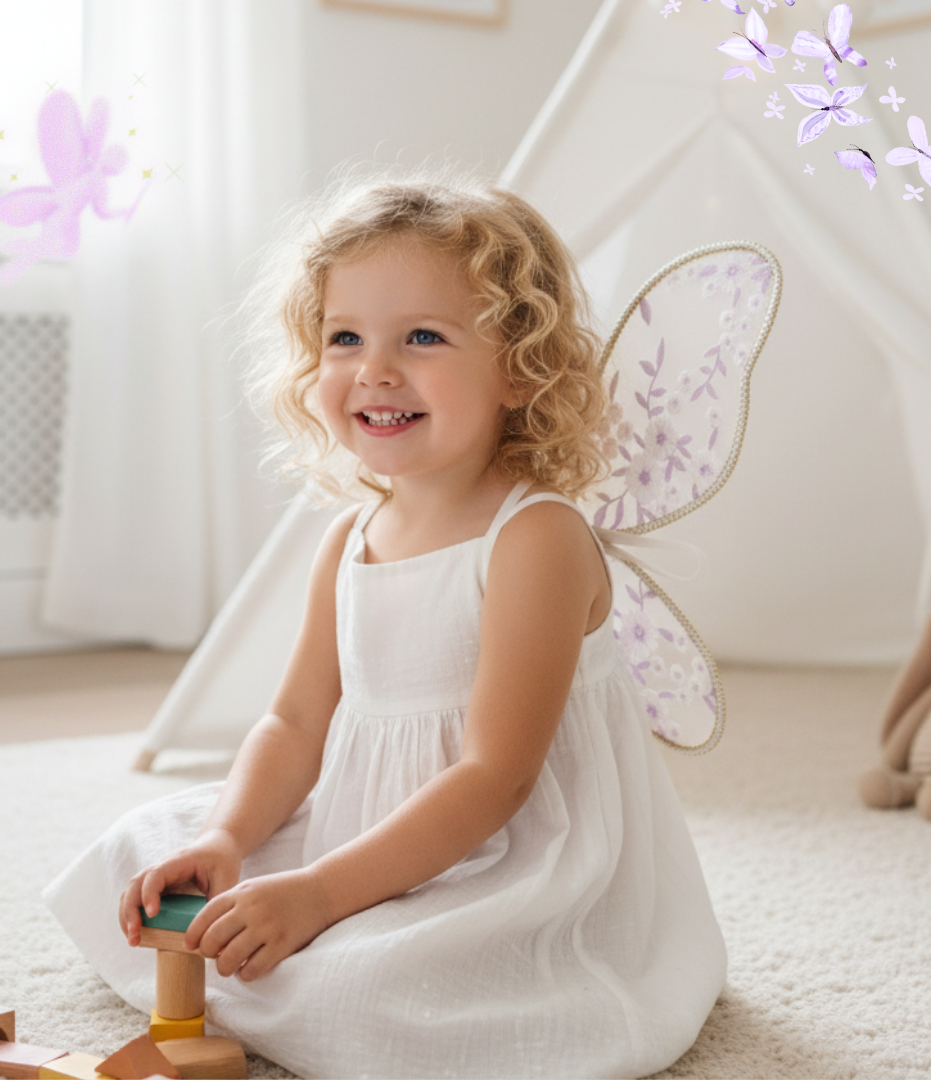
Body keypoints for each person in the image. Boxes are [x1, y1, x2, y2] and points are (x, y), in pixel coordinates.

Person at [44, 172, 726, 1079]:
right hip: (362, 828)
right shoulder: (349, 537)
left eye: (424, 337)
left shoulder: (535, 539)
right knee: (137, 854)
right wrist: (229, 839)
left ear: (520, 368)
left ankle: (326, 951)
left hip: (505, 860)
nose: (374, 368)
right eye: (344, 338)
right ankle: (282, 912)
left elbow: (496, 779)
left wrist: (320, 896)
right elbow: (293, 724)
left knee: (371, 1000)